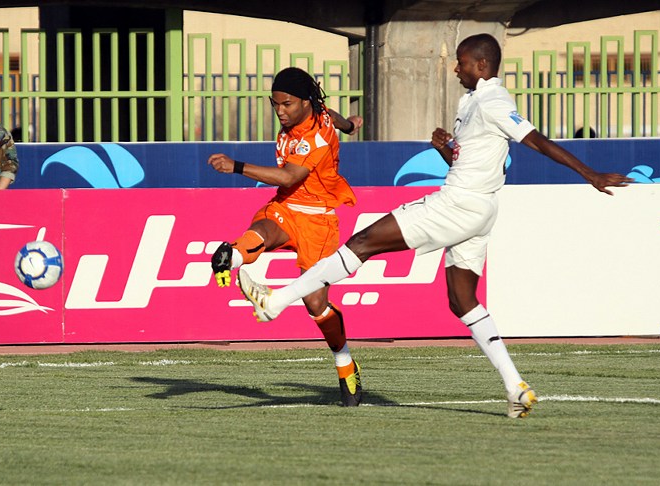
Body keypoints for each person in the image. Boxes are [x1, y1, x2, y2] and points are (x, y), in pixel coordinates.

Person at [237, 34, 633, 418]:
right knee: (462, 300)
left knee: (361, 244)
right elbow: (474, 161)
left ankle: (276, 301)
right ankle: (515, 386)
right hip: (480, 210)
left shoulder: (494, 100)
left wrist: (590, 174)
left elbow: (537, 141)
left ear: (481, 64)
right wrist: (447, 150)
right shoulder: (473, 102)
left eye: (460, 62)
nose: (455, 69)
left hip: (457, 204)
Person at [208, 67, 364, 406]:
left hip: (318, 220)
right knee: (261, 231)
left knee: (316, 306)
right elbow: (330, 113)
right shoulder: (314, 111)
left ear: (305, 104)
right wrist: (350, 125)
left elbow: (287, 175)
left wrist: (236, 167)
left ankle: (345, 364)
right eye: (275, 104)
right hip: (287, 207)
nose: (280, 111)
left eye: (287, 104)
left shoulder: (314, 139)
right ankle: (230, 257)